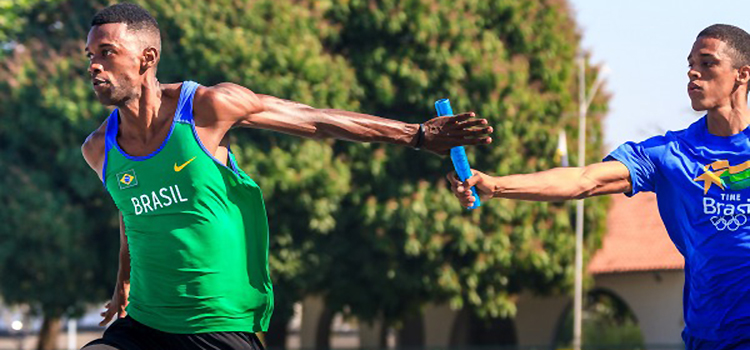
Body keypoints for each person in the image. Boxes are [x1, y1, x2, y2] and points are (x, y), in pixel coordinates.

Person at [80, 3, 492, 350]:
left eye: (107, 52)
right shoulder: (99, 148)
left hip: (216, 323)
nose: (94, 65)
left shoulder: (206, 107)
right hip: (146, 323)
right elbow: (130, 210)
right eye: (90, 56)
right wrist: (124, 279)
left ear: (147, 59)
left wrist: (416, 135)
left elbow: (315, 120)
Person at [448, 24, 750, 349]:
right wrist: (497, 185)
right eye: (690, 63)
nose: (693, 72)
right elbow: (584, 180)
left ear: (742, 74)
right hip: (708, 335)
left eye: (707, 63)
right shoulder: (670, 154)